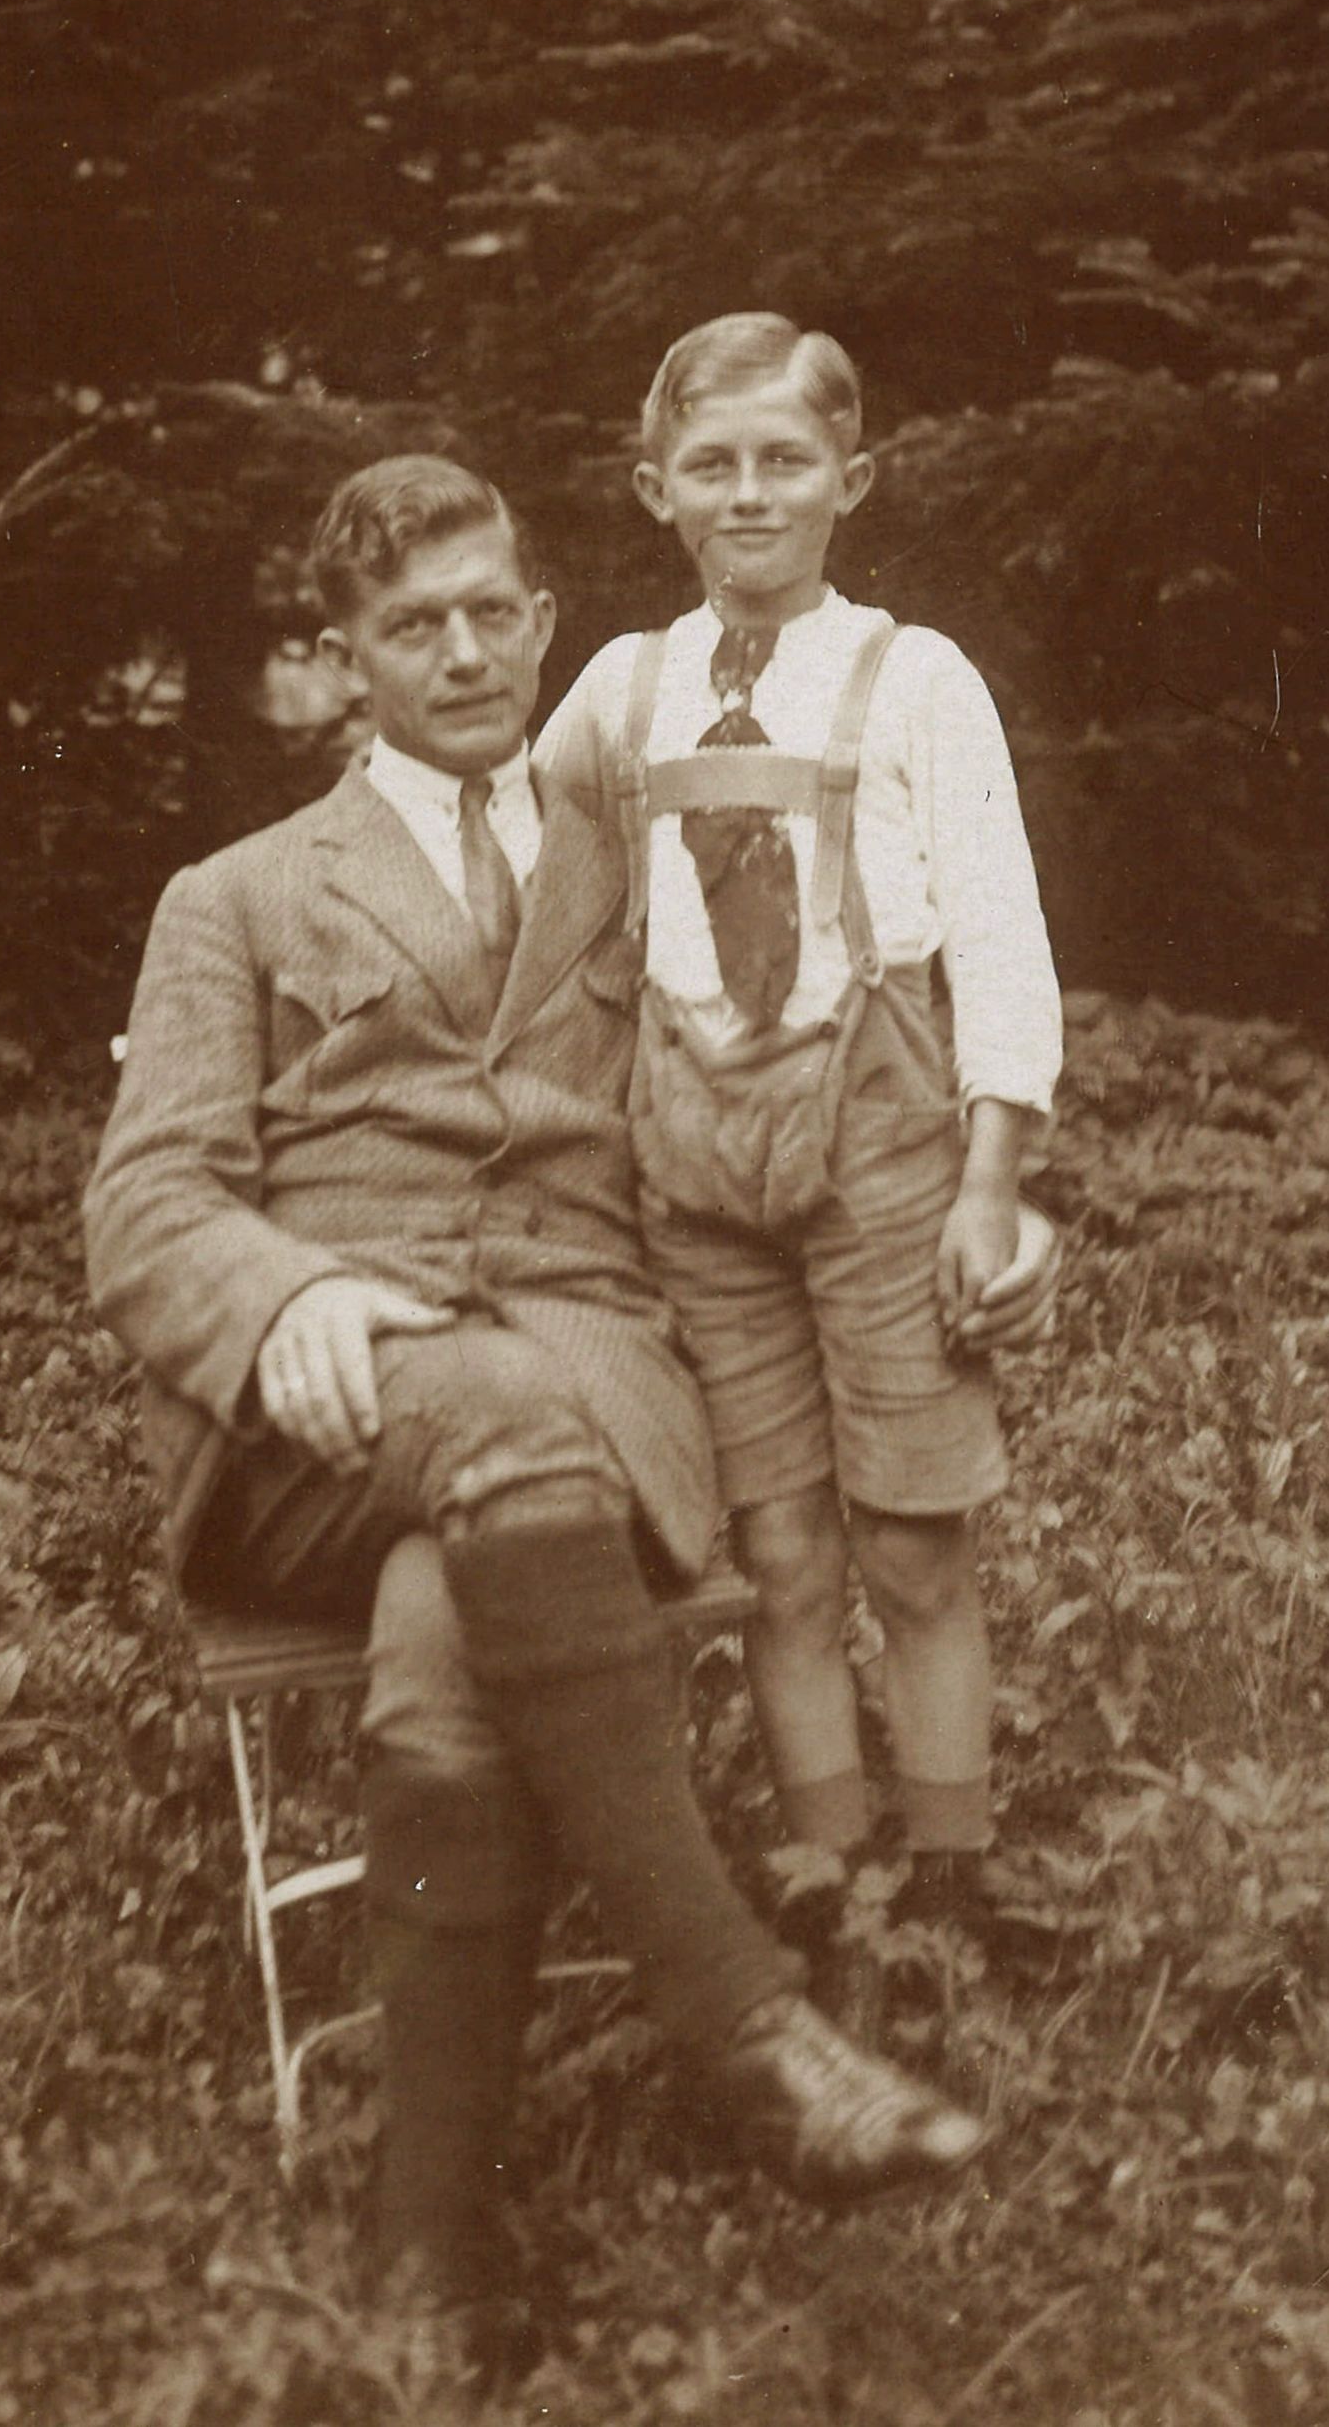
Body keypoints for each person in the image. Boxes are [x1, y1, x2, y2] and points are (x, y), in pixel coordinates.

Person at [83, 456, 1003, 2349]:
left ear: (543, 619)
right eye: (410, 625)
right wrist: (287, 1292)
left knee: (451, 1605)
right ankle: (745, 2023)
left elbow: (824, 1044)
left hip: (589, 1377)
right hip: (318, 1409)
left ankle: (429, 2269)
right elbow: (147, 1199)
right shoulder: (235, 895)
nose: (463, 653)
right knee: (486, 1427)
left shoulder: (653, 852)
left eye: (492, 610)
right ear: (342, 659)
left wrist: (982, 1190)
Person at [535, 315, 1063, 1926]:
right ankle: (831, 1878)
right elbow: (531, 870)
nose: (749, 492)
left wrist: (992, 1178)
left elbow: (999, 930)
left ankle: (951, 1875)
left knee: (911, 1542)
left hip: (882, 1143)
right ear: (657, 491)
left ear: (853, 478)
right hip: (693, 1157)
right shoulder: (621, 691)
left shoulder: (917, 678)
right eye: (712, 464)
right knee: (778, 1553)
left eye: (784, 460)